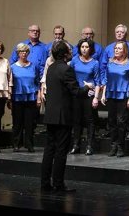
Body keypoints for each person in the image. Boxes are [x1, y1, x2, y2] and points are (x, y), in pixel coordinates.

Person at [40, 40, 93, 193]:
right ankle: (58, 184)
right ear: (64, 54)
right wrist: (87, 87)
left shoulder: (51, 68)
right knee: (61, 151)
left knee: (49, 150)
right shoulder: (66, 69)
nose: (72, 52)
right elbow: (76, 92)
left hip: (51, 115)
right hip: (63, 116)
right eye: (69, 50)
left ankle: (45, 183)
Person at [101, 24, 129, 139]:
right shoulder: (108, 48)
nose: (119, 34)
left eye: (122, 32)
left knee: (125, 115)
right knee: (112, 117)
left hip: (125, 87)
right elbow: (103, 67)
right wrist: (103, 83)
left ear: (126, 34)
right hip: (112, 87)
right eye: (117, 32)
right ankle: (113, 138)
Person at [100, 41, 129, 158]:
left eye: (119, 48)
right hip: (111, 93)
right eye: (115, 48)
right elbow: (105, 80)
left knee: (121, 121)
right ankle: (113, 145)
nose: (116, 50)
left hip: (123, 94)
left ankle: (121, 146)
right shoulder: (110, 63)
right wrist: (103, 94)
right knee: (111, 121)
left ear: (124, 51)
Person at [69, 39, 101, 156]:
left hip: (89, 95)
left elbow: (98, 82)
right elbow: (70, 78)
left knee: (90, 121)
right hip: (77, 94)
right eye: (82, 47)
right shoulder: (74, 61)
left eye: (86, 47)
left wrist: (96, 97)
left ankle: (89, 146)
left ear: (90, 49)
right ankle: (76, 145)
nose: (84, 49)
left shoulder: (95, 63)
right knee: (76, 120)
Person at [10, 43, 41, 152]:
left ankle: (29, 144)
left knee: (30, 123)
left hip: (31, 97)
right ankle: (16, 144)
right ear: (18, 53)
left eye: (26, 51)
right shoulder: (12, 67)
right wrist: (9, 98)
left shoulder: (33, 66)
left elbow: (37, 82)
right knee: (17, 122)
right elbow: (10, 83)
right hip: (17, 97)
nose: (24, 53)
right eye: (21, 51)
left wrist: (39, 97)